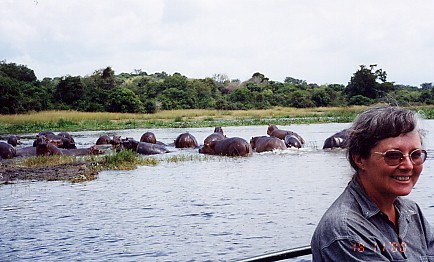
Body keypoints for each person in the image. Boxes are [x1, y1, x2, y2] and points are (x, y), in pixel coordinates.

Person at [311, 106, 434, 261]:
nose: (408, 165)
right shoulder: (345, 231)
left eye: (415, 155)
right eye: (393, 156)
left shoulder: (412, 211)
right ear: (360, 159)